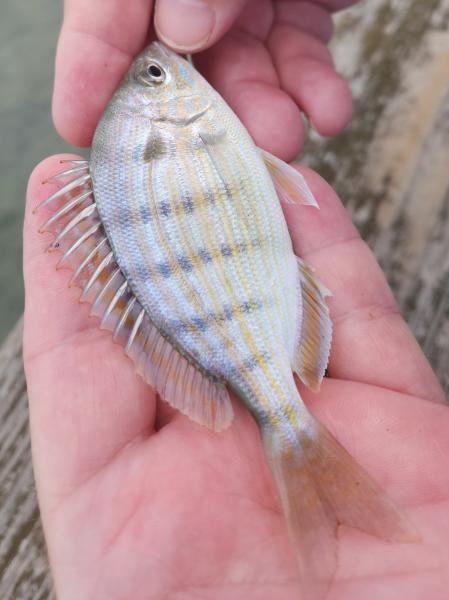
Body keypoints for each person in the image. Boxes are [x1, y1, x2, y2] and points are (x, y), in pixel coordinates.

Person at [24, 1, 449, 598]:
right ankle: (295, 438)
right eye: (156, 75)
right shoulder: (188, 126)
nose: (162, 64)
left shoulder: (185, 124)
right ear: (165, 107)